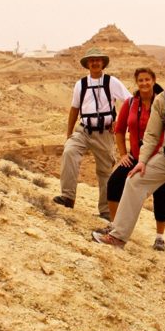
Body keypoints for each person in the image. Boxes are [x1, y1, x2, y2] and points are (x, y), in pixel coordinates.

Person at [91, 55, 165, 294]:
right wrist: (142, 162)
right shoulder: (163, 99)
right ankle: (118, 236)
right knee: (134, 180)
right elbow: (152, 134)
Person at [97, 67, 165, 251]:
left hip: (160, 158)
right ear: (136, 83)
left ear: (154, 81)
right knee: (114, 184)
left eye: (148, 80)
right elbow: (120, 129)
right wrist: (124, 154)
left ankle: (160, 237)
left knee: (163, 196)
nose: (145, 83)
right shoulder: (131, 103)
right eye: (141, 80)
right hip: (136, 156)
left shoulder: (164, 102)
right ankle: (115, 226)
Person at [54, 47, 131, 219]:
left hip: (104, 133)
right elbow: (74, 109)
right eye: (92, 60)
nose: (95, 63)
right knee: (69, 152)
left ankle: (105, 212)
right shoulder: (80, 84)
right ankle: (67, 197)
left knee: (104, 172)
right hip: (83, 130)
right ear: (87, 64)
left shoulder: (112, 82)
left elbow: (130, 101)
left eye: (98, 60)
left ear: (103, 63)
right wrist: (68, 135)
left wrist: (119, 123)